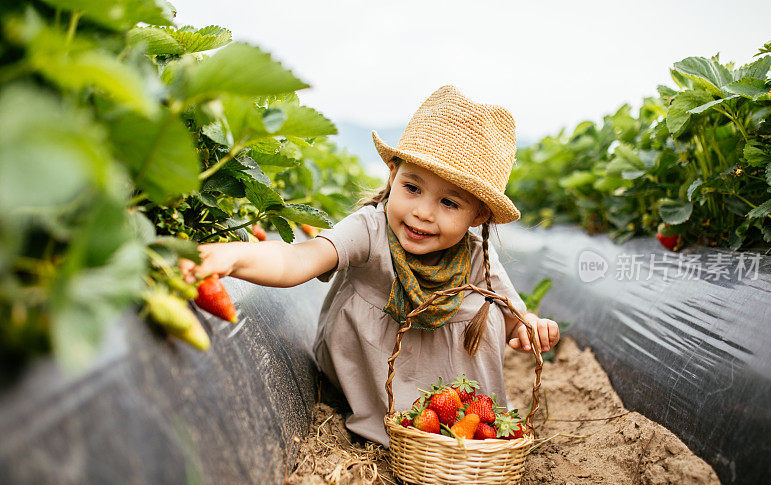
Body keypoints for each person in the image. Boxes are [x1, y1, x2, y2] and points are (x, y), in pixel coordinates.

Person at [180, 85, 560, 446]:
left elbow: (516, 319)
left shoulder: (476, 257)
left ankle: (457, 436)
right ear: (393, 176)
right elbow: (298, 258)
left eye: (449, 203)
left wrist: (530, 329)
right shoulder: (370, 229)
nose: (422, 213)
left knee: (487, 310)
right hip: (375, 382)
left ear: (477, 216)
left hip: (455, 410)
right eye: (412, 188)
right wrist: (234, 255)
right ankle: (395, 425)